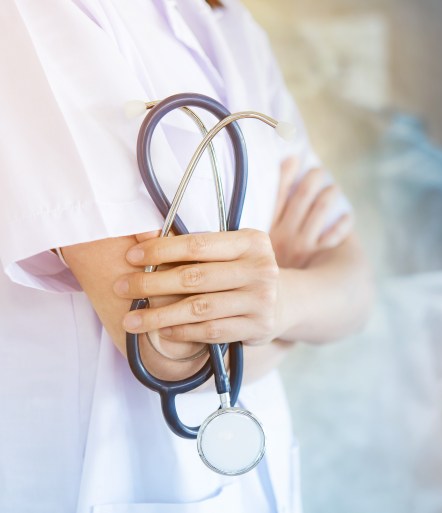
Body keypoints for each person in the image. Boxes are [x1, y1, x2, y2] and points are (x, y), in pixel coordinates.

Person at [0, 0, 371, 512]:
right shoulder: (39, 13)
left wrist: (276, 301)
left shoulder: (235, 25)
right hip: (102, 475)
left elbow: (357, 290)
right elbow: (165, 350)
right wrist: (290, 308)